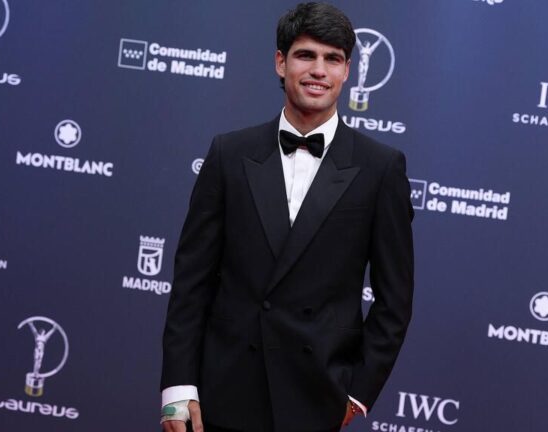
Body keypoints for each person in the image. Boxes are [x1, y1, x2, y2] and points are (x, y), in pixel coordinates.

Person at [160, 3, 414, 431]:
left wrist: (356, 394)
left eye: (332, 59)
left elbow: (395, 300)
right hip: (223, 393)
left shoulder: (381, 168)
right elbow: (191, 283)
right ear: (281, 62)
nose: (319, 70)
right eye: (305, 55)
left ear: (347, 71)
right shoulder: (230, 154)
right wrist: (178, 389)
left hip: (315, 399)